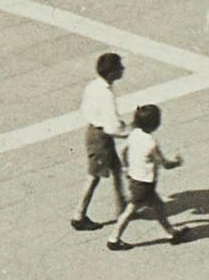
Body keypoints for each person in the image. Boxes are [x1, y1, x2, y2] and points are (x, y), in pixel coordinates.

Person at [108, 104, 184, 249]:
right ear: (155, 124)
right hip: (144, 184)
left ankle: (171, 232)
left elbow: (122, 150)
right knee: (130, 210)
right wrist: (177, 162)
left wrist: (125, 167)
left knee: (158, 206)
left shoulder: (134, 134)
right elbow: (164, 163)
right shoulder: (151, 143)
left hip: (134, 178)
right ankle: (113, 239)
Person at [72, 53, 129, 230]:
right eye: (120, 67)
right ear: (112, 73)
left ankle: (122, 206)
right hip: (101, 138)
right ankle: (79, 215)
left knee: (116, 169)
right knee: (94, 176)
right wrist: (128, 133)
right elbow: (112, 127)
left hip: (94, 132)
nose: (123, 69)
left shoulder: (94, 86)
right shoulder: (106, 95)